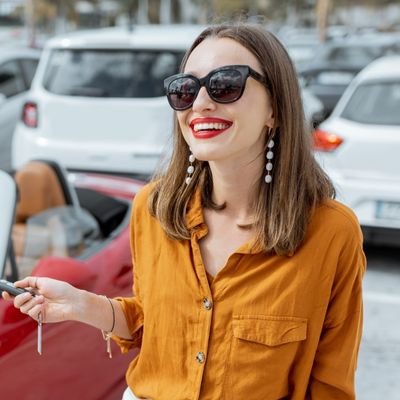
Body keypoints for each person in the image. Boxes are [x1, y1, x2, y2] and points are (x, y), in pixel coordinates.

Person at [2, 23, 365, 400]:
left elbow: (332, 385)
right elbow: (153, 326)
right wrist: (80, 304)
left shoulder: (330, 232)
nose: (200, 103)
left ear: (274, 107)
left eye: (225, 84)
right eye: (185, 89)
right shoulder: (153, 208)